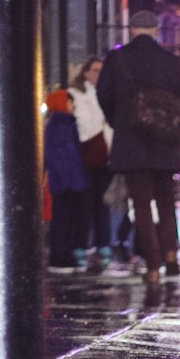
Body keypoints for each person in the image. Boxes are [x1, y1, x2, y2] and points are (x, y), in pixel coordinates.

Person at [96, 6, 180, 295]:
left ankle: (153, 265)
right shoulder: (171, 61)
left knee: (141, 205)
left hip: (131, 142)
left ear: (131, 30)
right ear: (156, 31)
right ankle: (171, 256)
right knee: (166, 201)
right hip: (165, 141)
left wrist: (119, 121)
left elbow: (103, 95)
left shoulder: (117, 59)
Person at [70, 56, 113, 267]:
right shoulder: (77, 95)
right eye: (95, 70)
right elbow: (85, 124)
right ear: (86, 72)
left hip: (104, 155)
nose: (98, 75)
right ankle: (81, 244)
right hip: (86, 154)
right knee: (85, 202)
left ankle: (103, 243)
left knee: (100, 201)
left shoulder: (106, 93)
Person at [43, 90, 89, 273]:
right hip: (67, 182)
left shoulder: (60, 124)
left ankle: (63, 256)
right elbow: (64, 156)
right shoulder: (62, 125)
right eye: (71, 102)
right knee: (64, 219)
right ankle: (60, 257)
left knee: (65, 219)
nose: (74, 105)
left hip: (66, 181)